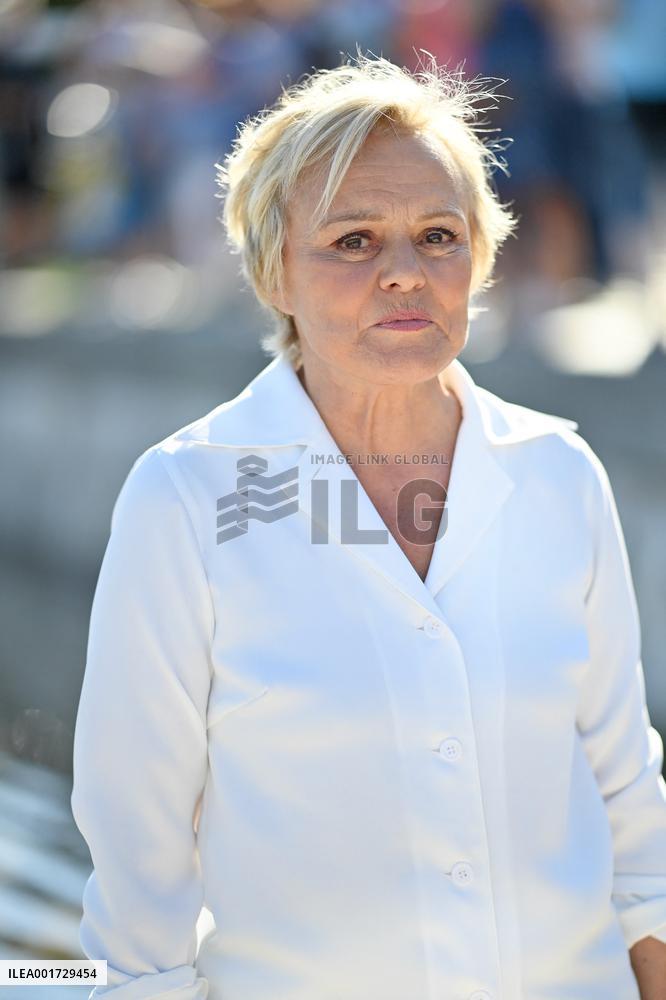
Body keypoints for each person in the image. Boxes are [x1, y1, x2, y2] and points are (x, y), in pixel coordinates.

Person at [70, 52, 666, 999]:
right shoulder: (186, 499)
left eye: (438, 235)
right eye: (352, 242)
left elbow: (628, 789)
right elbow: (137, 843)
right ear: (274, 271)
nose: (404, 274)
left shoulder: (557, 474)